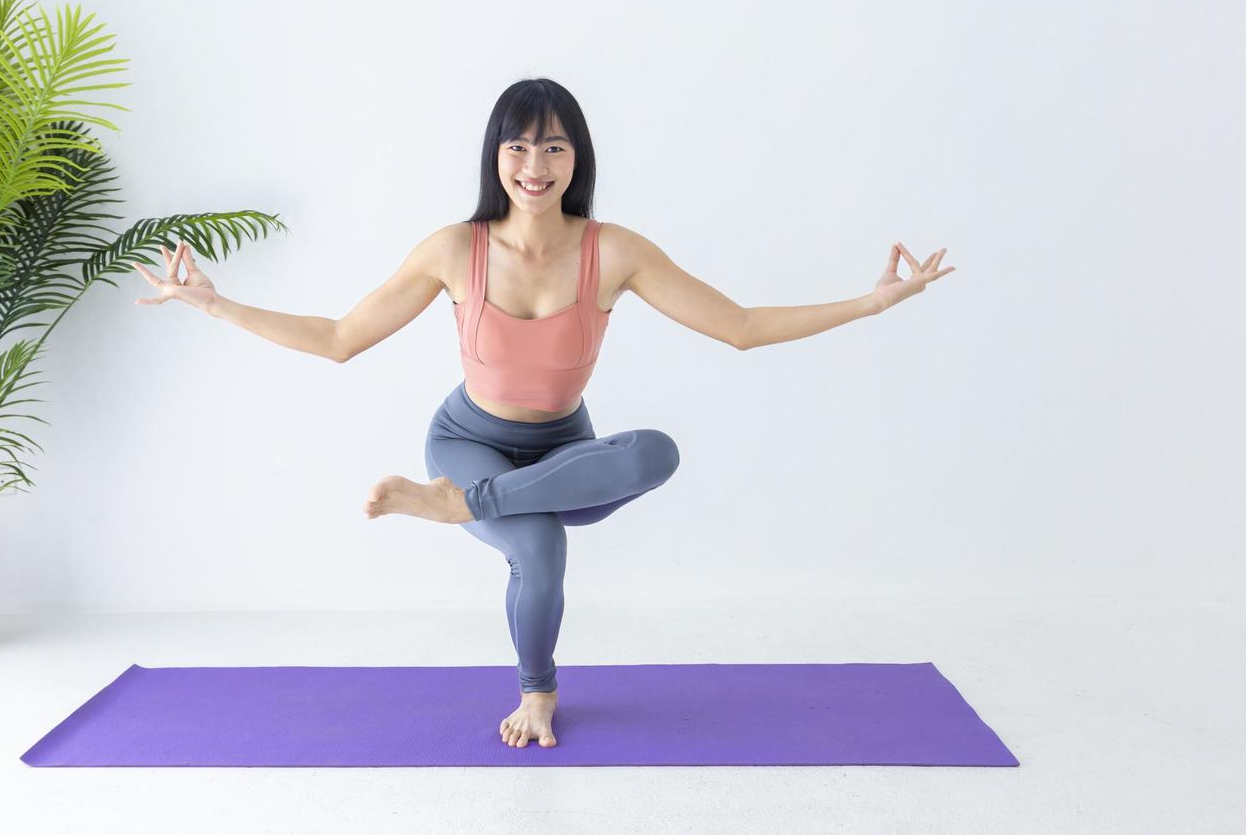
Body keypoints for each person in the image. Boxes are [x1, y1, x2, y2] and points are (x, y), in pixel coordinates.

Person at [132, 77, 955, 750]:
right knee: (540, 547)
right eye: (519, 144)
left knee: (657, 450)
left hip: (568, 453)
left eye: (553, 145)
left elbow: (739, 329)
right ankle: (537, 692)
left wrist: (871, 304)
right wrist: (216, 305)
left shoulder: (615, 251)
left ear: (576, 158)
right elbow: (341, 337)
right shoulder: (455, 249)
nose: (535, 162)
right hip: (469, 441)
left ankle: (458, 506)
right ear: (496, 156)